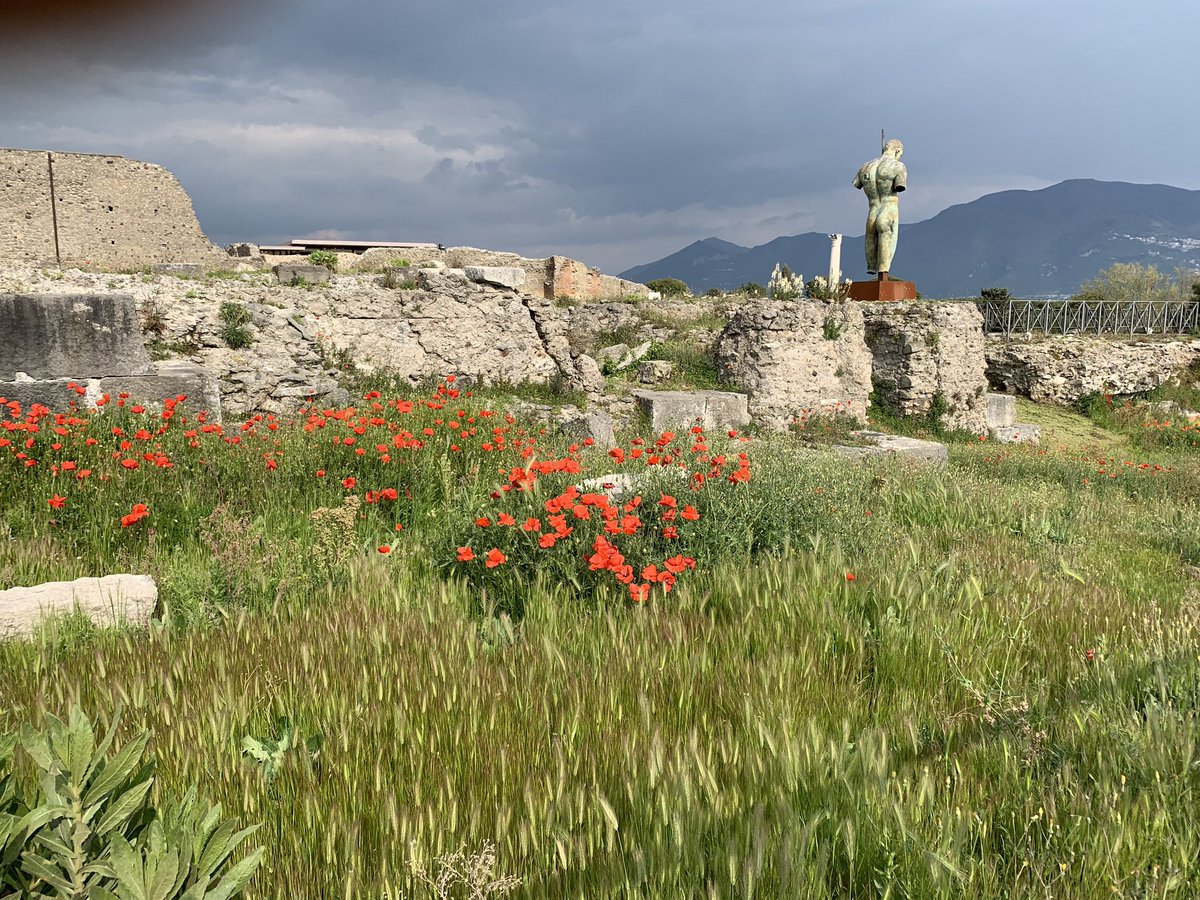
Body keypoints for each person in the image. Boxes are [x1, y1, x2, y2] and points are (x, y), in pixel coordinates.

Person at [853, 139, 907, 279]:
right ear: (897, 151)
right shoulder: (898, 166)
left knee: (870, 237)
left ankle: (871, 266)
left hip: (873, 209)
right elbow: (899, 186)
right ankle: (883, 270)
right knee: (888, 236)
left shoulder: (865, 166)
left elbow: (857, 184)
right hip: (888, 207)